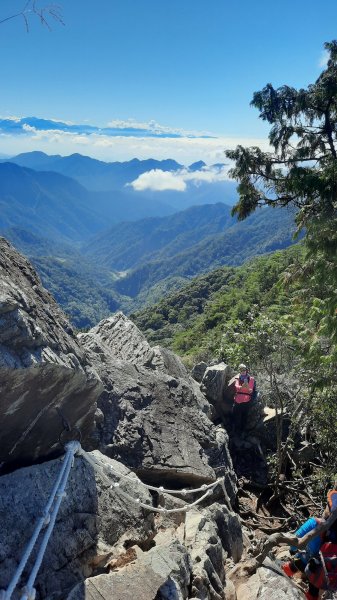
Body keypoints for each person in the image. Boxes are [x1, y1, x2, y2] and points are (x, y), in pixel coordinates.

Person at [232, 364, 257, 431]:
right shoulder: (237, 378)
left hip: (246, 400)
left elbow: (250, 390)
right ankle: (235, 430)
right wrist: (243, 387)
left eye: (244, 370)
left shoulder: (251, 379)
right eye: (241, 370)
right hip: (238, 400)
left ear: (246, 370)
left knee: (244, 416)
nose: (243, 371)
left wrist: (243, 388)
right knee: (235, 414)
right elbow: (236, 387)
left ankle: (242, 431)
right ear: (239, 371)